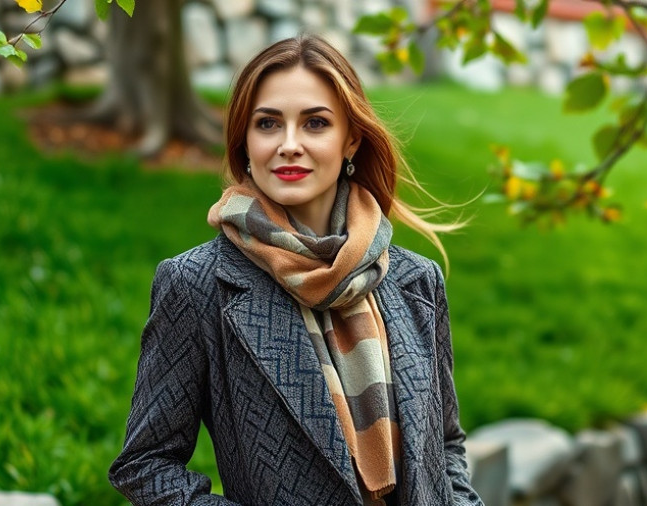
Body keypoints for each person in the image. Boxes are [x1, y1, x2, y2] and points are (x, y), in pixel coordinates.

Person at [108, 35, 484, 506]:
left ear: (350, 138)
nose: (289, 145)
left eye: (315, 123)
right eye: (267, 124)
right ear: (244, 141)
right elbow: (146, 464)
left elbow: (445, 445)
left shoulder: (416, 281)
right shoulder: (198, 284)